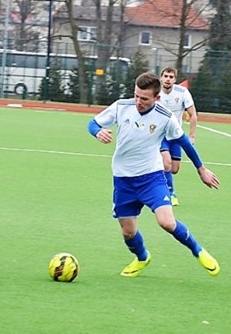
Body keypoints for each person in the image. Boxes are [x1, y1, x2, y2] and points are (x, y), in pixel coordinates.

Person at [87, 72, 221, 278]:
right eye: (136, 96)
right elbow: (93, 123)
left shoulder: (165, 116)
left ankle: (198, 250)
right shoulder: (122, 106)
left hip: (151, 177)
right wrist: (97, 132)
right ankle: (142, 257)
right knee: (128, 232)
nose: (138, 102)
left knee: (166, 222)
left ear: (156, 98)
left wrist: (201, 169)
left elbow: (184, 141)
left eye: (144, 99)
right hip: (123, 180)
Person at [158, 67, 197, 206]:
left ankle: (156, 177)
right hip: (159, 135)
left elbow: (193, 115)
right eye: (165, 76)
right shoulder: (155, 91)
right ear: (161, 78)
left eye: (171, 77)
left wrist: (192, 136)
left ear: (175, 80)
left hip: (175, 135)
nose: (168, 79)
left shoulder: (182, 92)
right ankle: (170, 193)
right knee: (166, 164)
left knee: (174, 169)